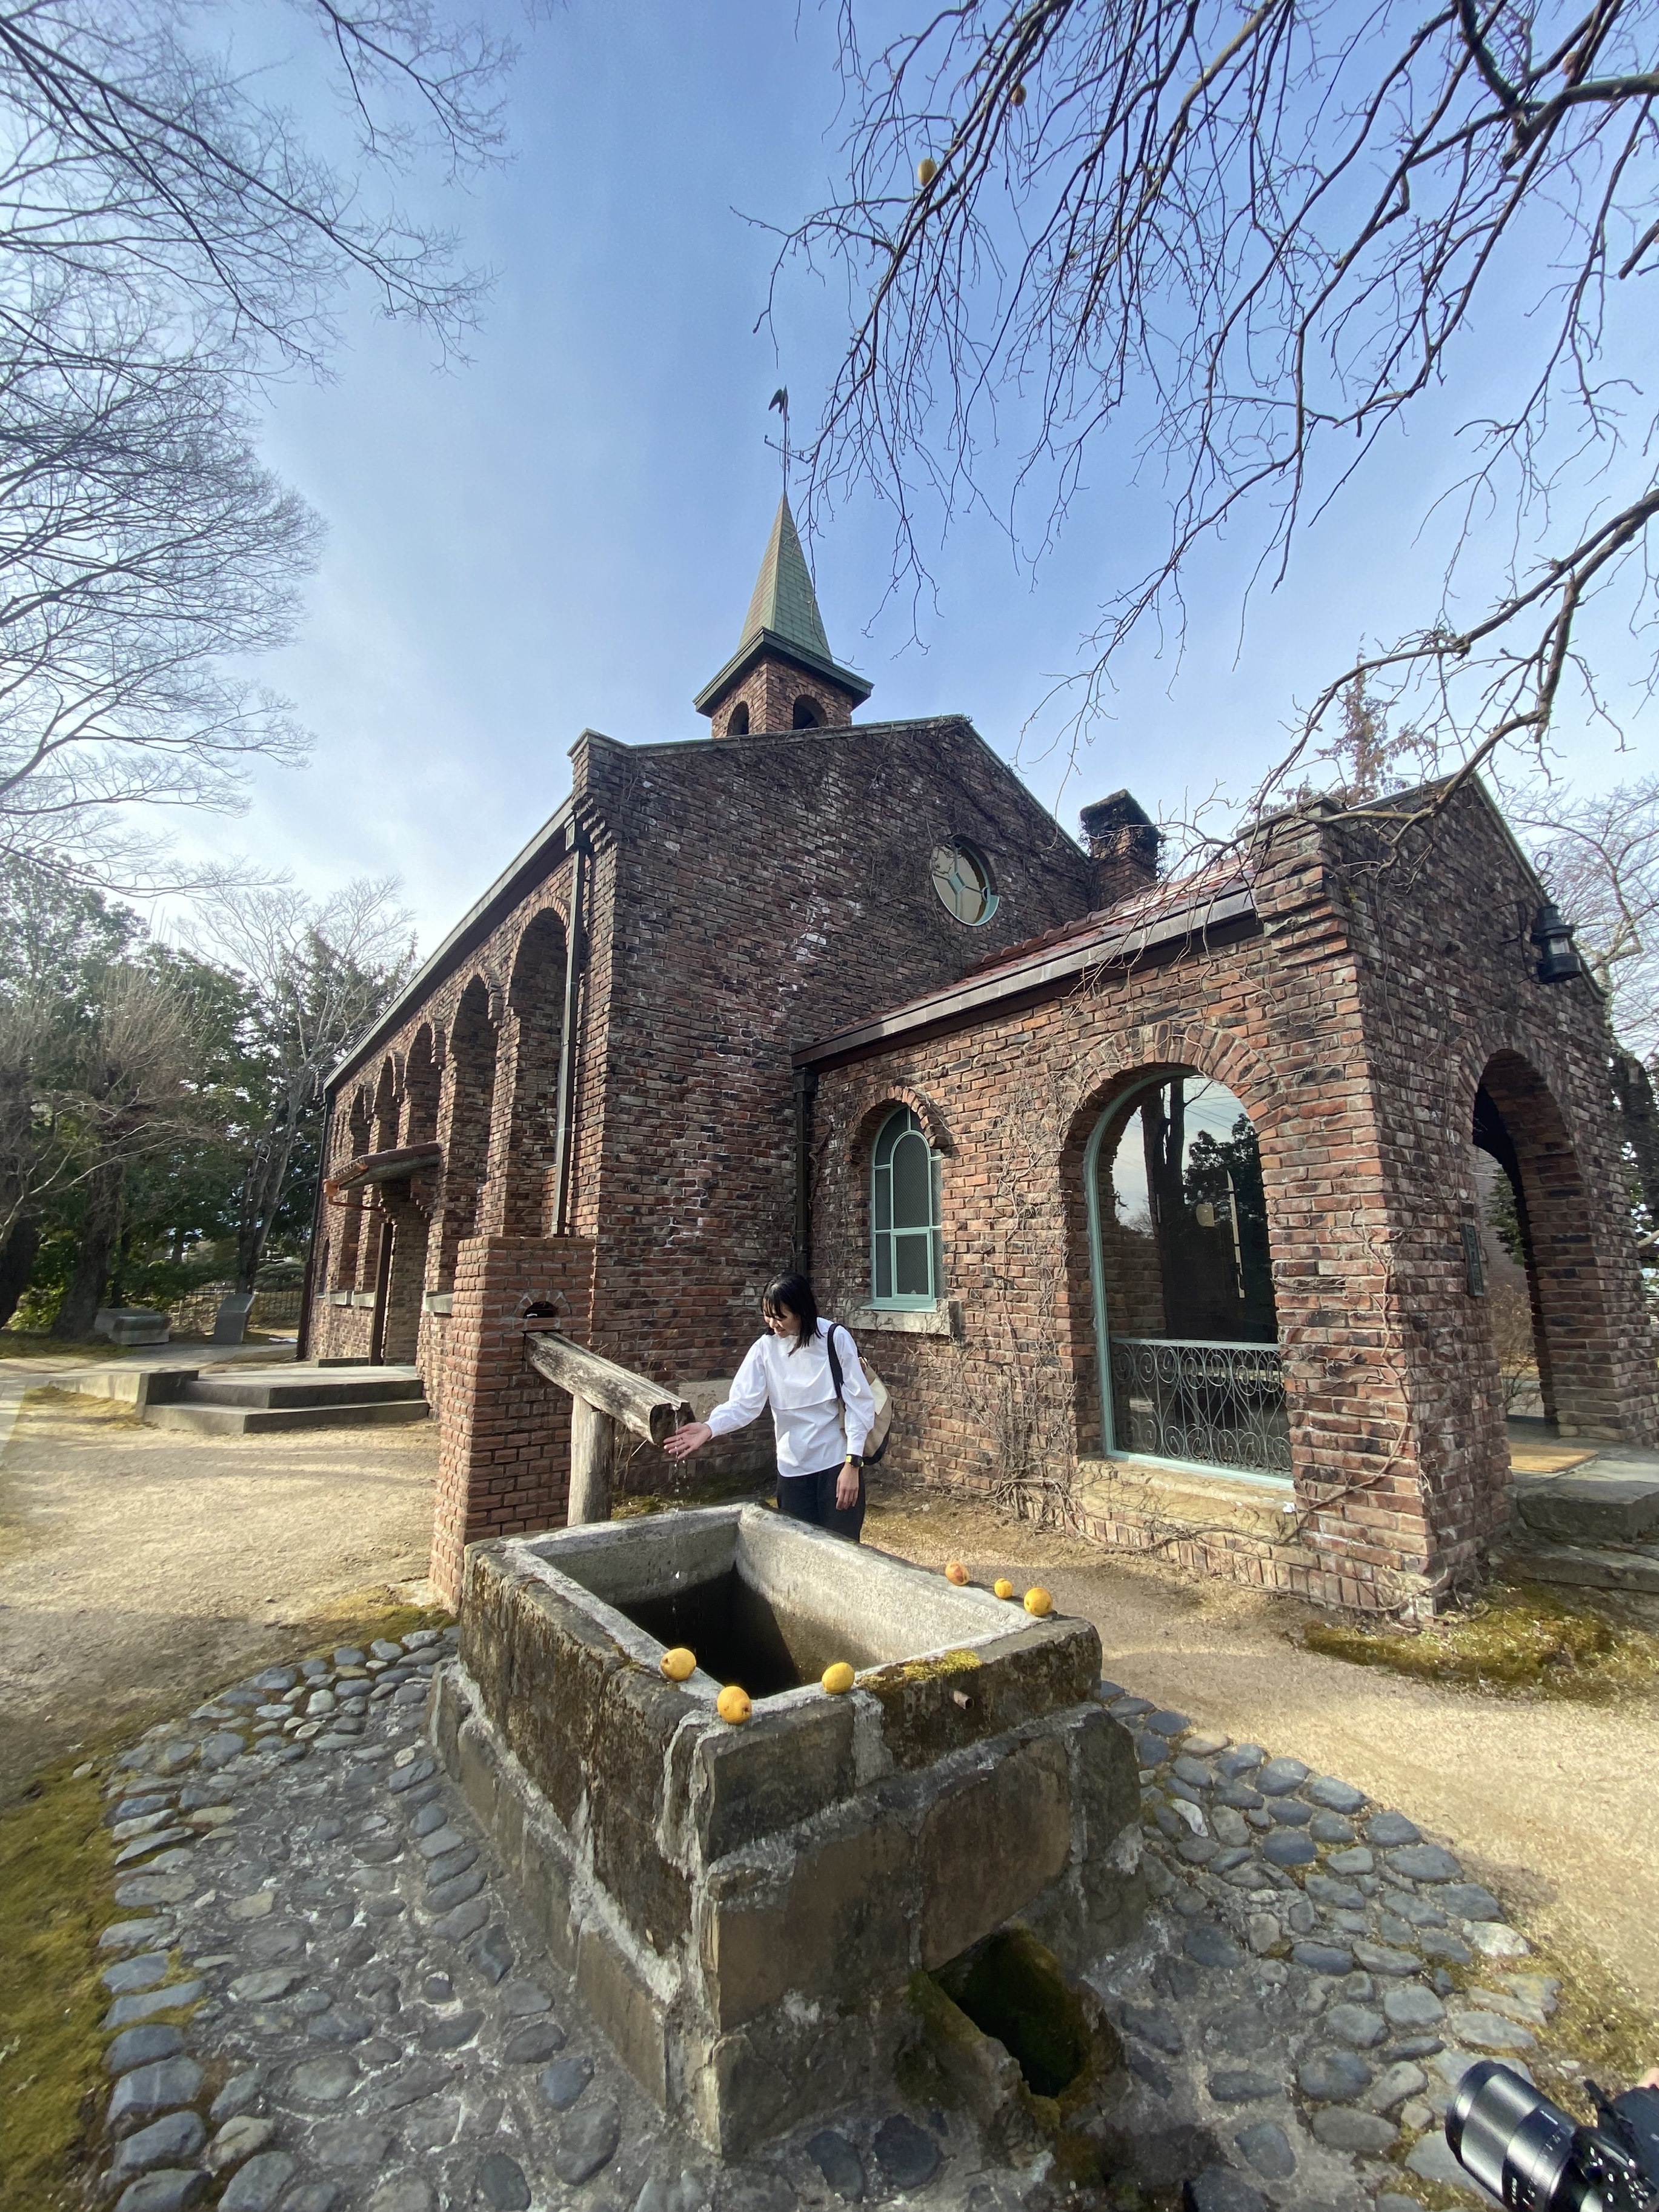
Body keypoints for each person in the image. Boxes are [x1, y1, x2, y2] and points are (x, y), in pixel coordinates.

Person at [663, 1272, 876, 1541]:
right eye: (768, 1316)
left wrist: (853, 1464)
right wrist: (710, 1427)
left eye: (781, 1317)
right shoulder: (765, 1349)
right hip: (792, 1469)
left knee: (844, 1550)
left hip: (836, 1464)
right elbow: (744, 1403)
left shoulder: (835, 1338)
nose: (773, 1324)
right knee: (797, 1551)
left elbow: (860, 1404)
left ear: (801, 1312)